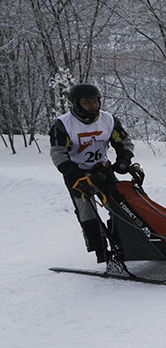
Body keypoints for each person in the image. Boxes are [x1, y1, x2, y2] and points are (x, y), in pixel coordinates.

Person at [49, 82, 139, 263]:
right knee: (87, 213)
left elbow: (123, 142)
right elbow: (59, 154)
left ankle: (126, 245)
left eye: (95, 101)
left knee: (121, 207)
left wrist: (123, 160)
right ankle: (101, 252)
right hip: (77, 174)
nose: (93, 106)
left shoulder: (108, 120)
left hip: (102, 169)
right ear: (76, 103)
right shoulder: (63, 124)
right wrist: (75, 175)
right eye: (87, 102)